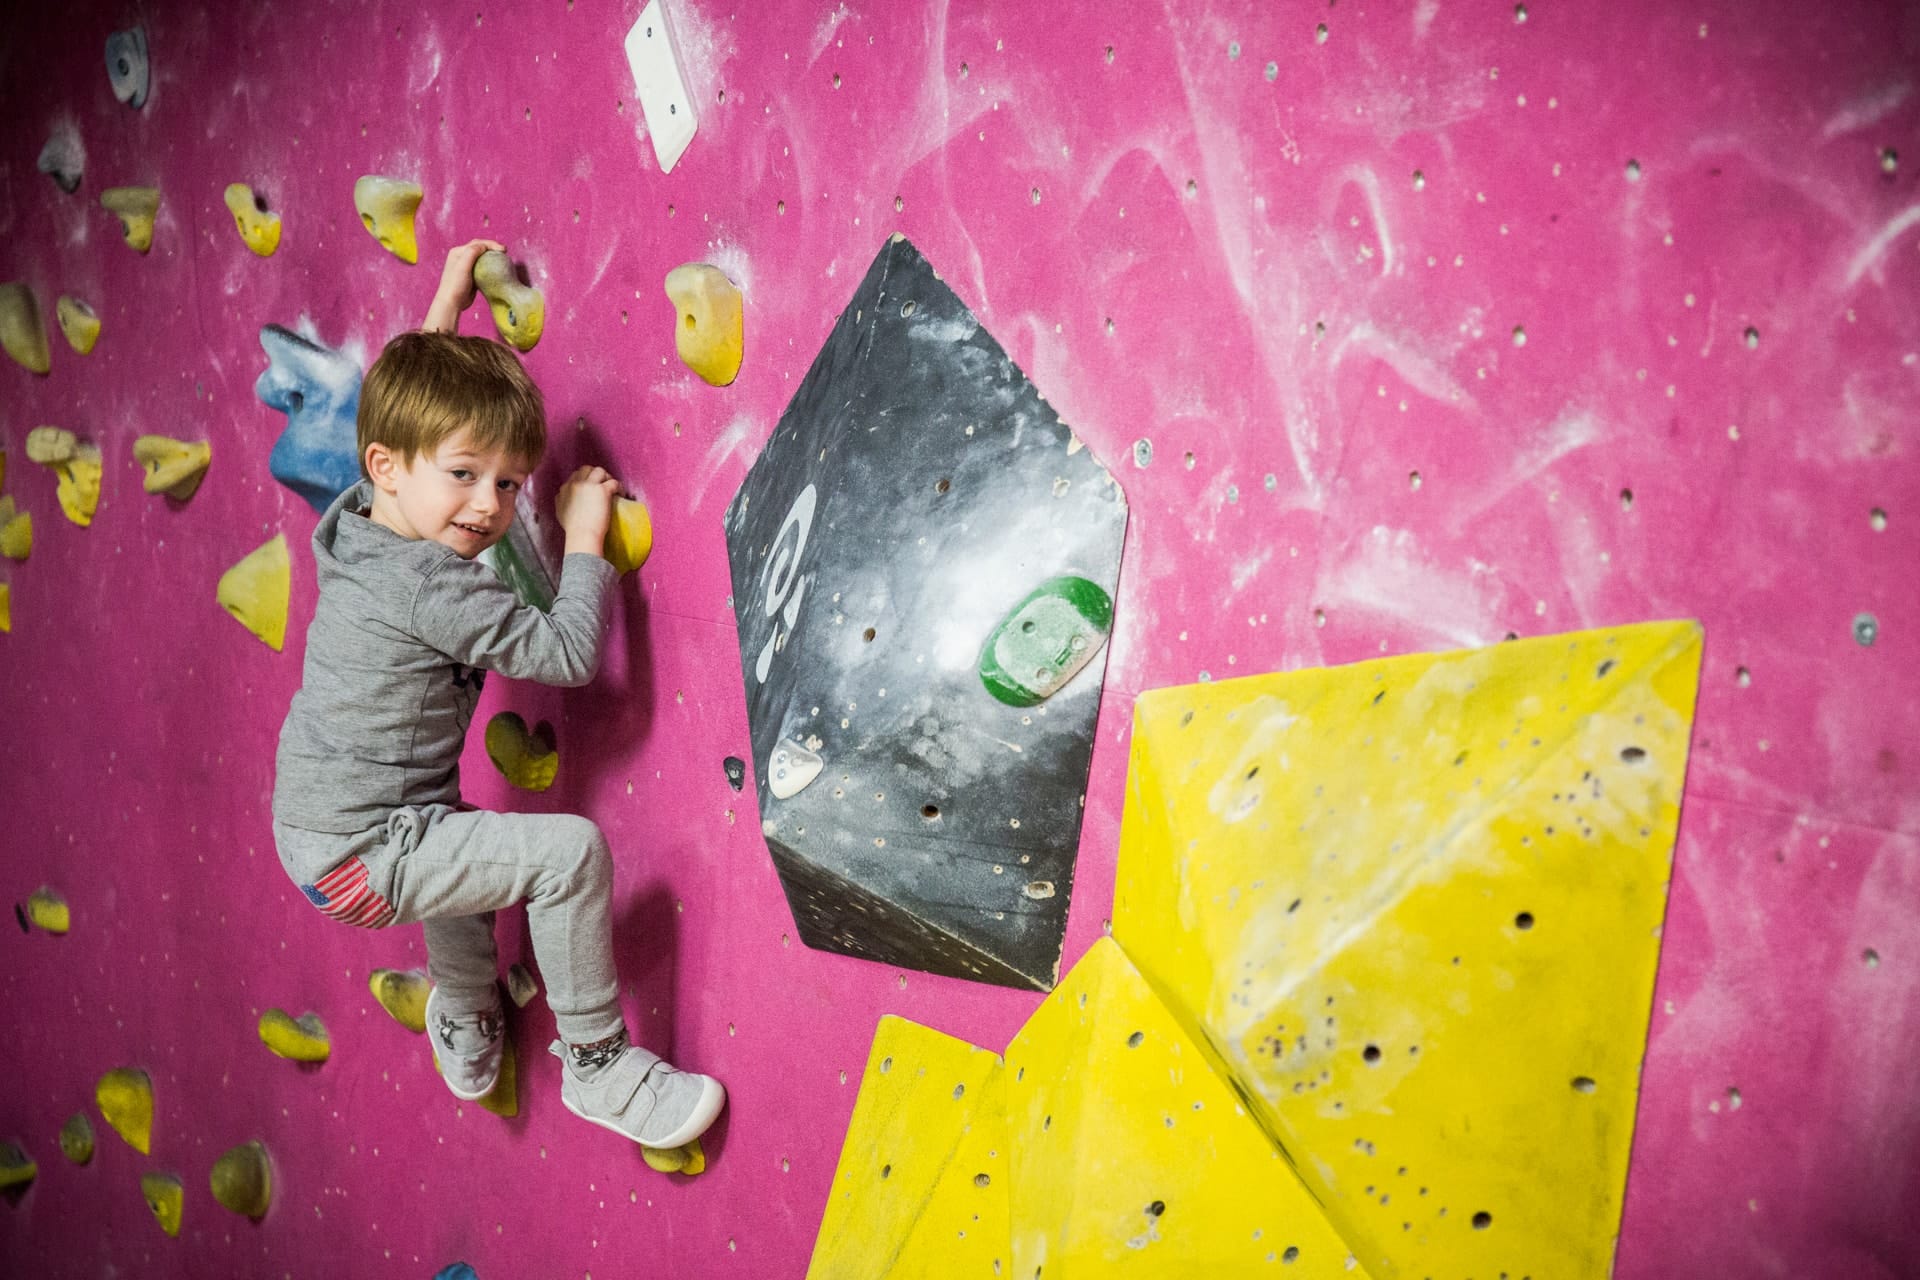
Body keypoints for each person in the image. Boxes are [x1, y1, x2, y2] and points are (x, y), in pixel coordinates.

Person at [271, 238, 724, 1151]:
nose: (489, 506)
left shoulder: (369, 515)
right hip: (359, 853)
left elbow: (412, 417)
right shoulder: (435, 583)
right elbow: (563, 654)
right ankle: (598, 1065)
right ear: (389, 462)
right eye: (468, 477)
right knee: (567, 855)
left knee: (455, 839)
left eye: (511, 484)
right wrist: (583, 539)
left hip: (328, 825)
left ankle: (469, 1009)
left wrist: (447, 304)